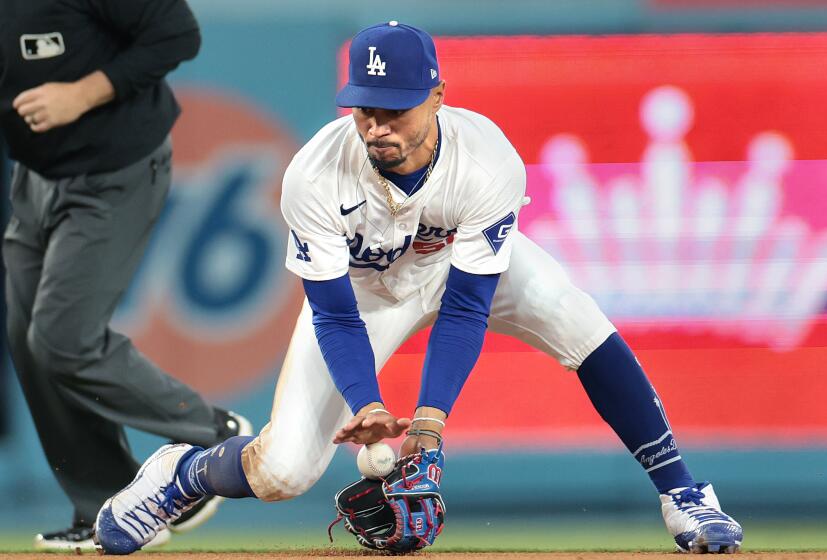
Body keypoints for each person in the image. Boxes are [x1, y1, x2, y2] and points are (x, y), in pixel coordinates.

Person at [94, 21, 742, 555]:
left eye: (395, 109)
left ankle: (684, 493)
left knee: (574, 317)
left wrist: (427, 430)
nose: (377, 127)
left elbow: (465, 307)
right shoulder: (314, 177)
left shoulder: (485, 159)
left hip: (454, 271)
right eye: (364, 110)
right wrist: (366, 404)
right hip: (364, 300)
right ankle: (185, 473)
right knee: (285, 470)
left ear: (436, 97)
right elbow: (335, 316)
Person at [0, 0, 252, 552]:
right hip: (35, 178)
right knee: (28, 340)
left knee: (64, 338)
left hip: (113, 174)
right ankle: (111, 505)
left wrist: (81, 92)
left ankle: (211, 434)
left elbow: (178, 34)